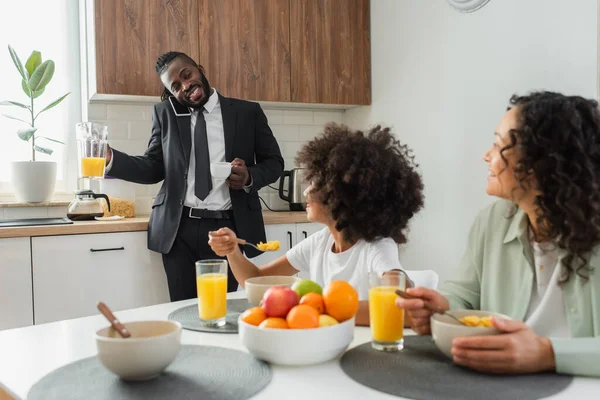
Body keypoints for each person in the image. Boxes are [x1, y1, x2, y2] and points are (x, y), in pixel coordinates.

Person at [397, 91, 600, 377]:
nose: (486, 155)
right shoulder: (492, 221)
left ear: (541, 162)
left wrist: (548, 354)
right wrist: (442, 308)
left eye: (497, 144)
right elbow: (463, 296)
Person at [104, 51, 284, 301]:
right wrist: (112, 159)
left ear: (199, 69)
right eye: (175, 86)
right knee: (182, 310)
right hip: (179, 230)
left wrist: (249, 176)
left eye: (187, 75)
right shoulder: (166, 114)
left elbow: (274, 163)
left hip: (227, 229)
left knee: (220, 308)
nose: (186, 86)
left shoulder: (246, 113)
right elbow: (155, 166)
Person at [209, 123, 425, 325]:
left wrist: (319, 308)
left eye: (314, 183)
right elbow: (254, 280)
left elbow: (406, 308)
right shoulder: (320, 242)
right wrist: (232, 251)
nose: (306, 191)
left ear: (343, 192)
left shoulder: (377, 246)